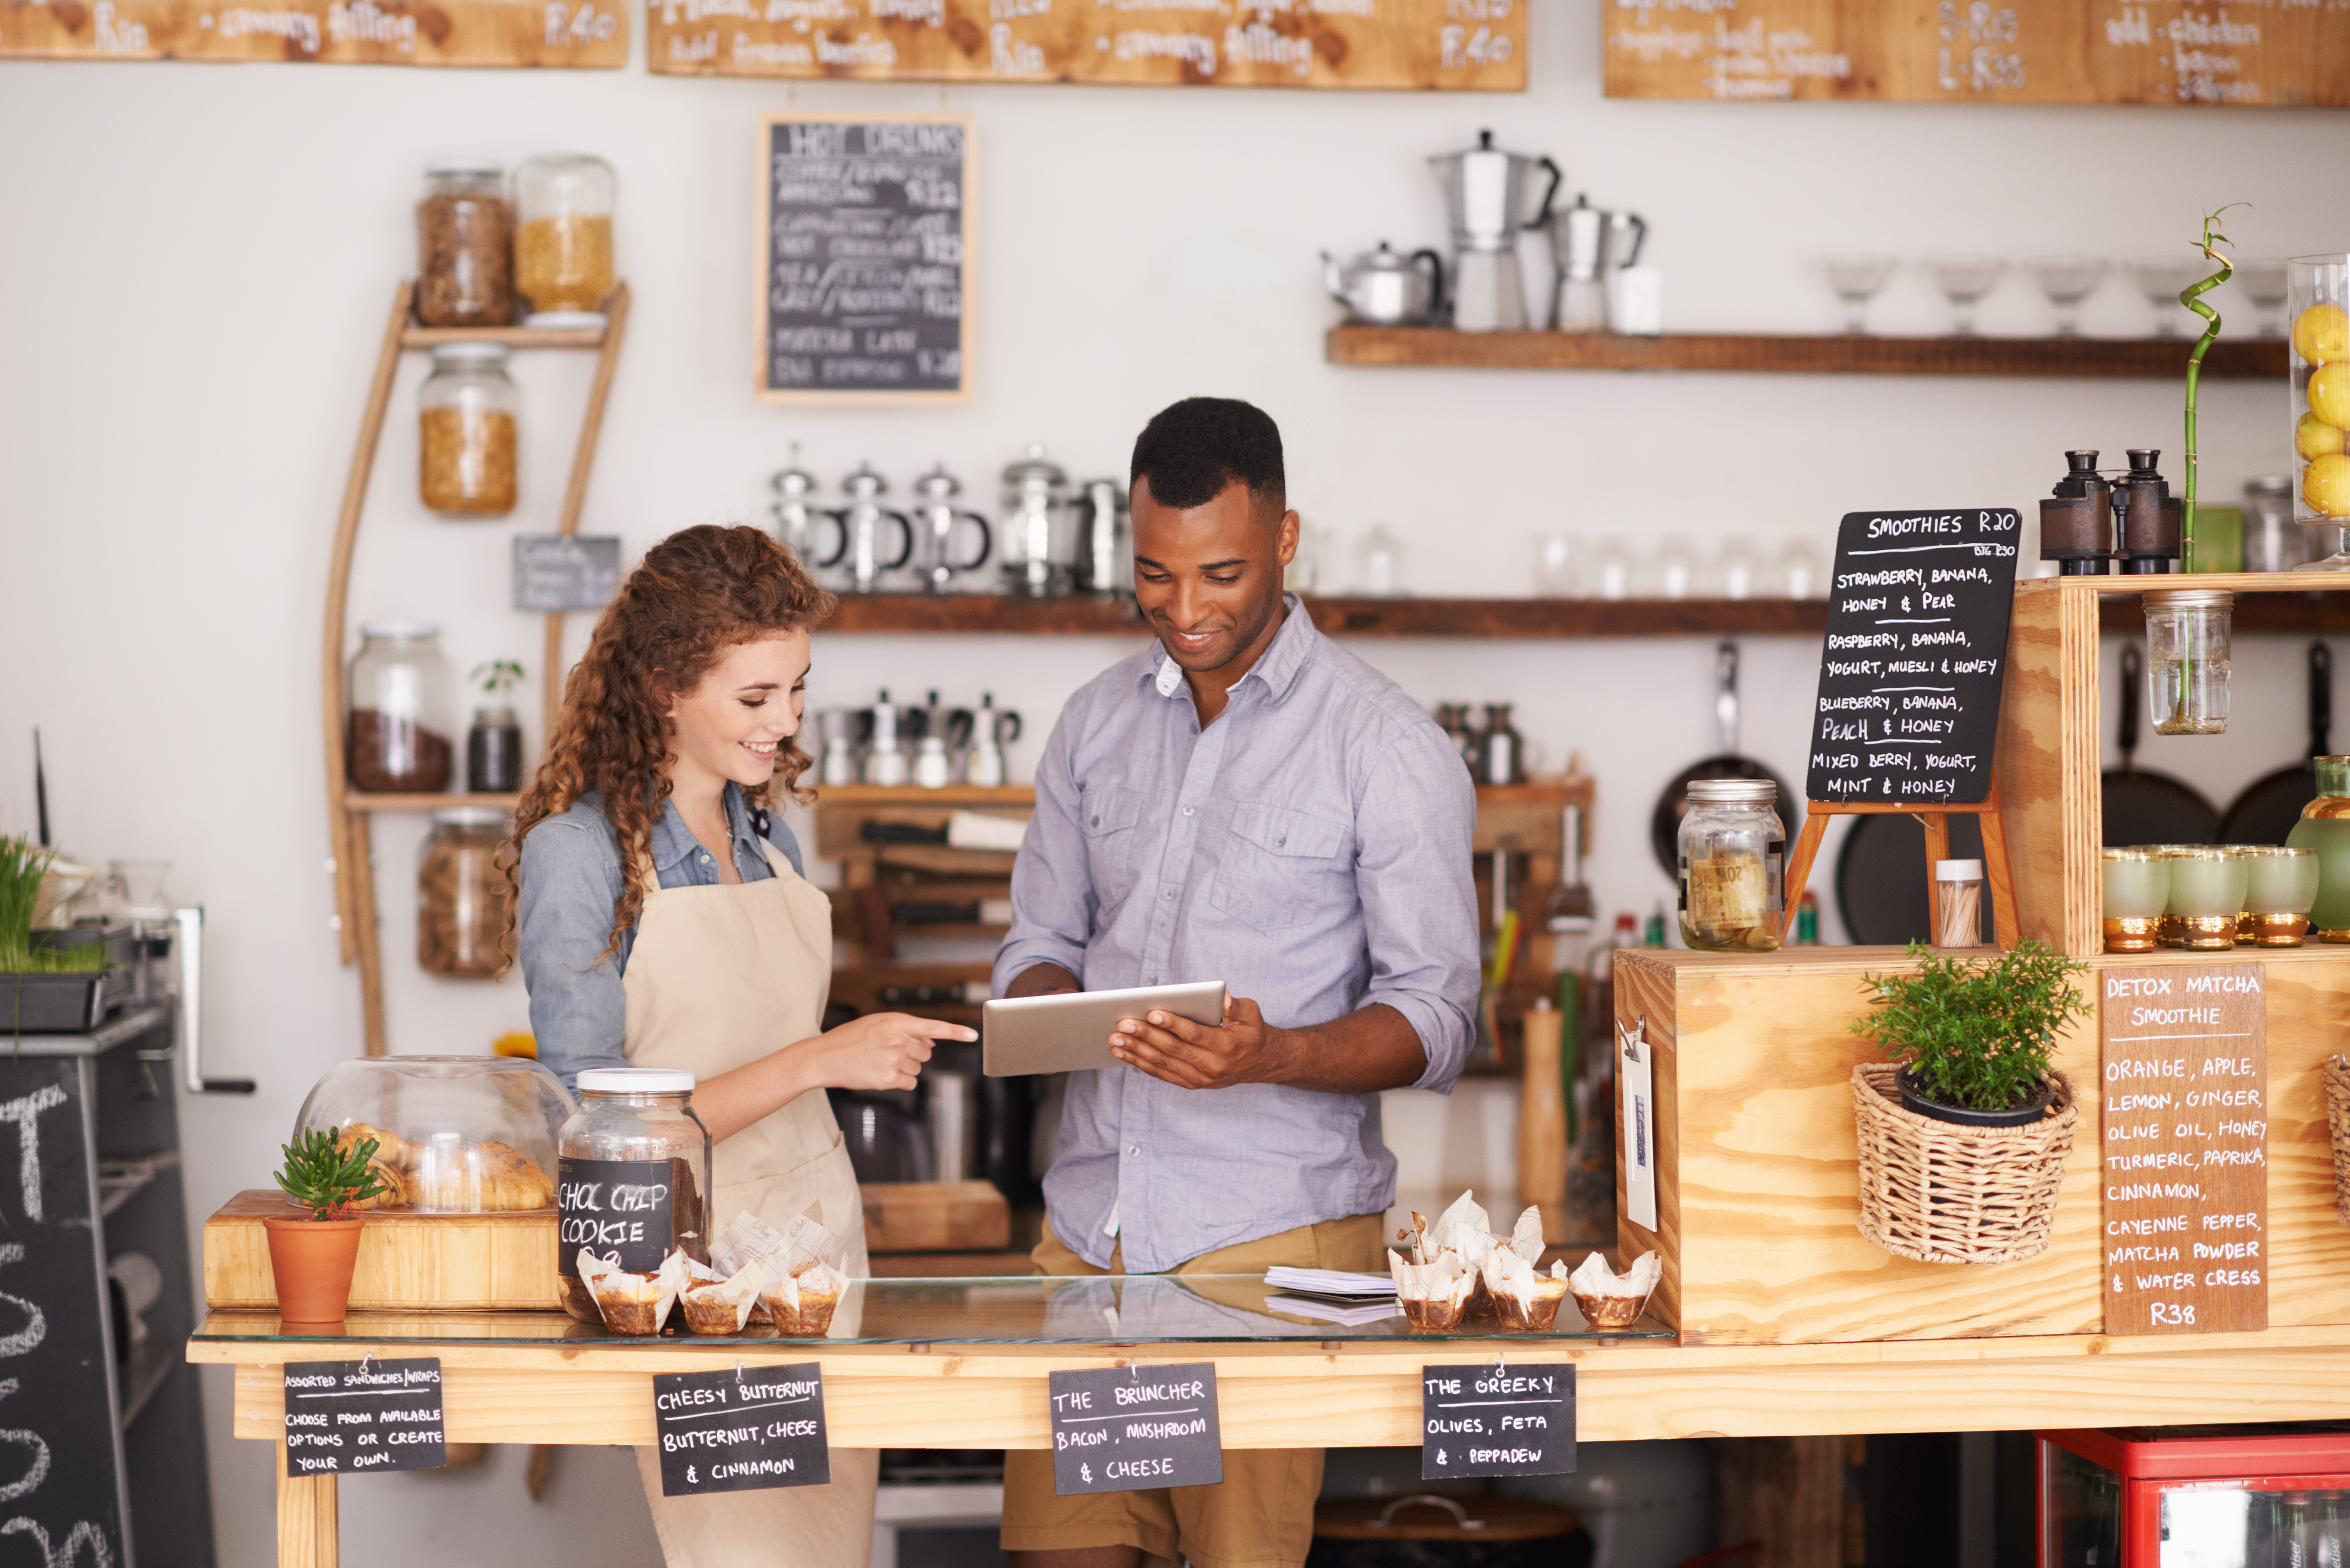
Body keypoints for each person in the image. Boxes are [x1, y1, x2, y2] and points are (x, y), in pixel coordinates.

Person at [991, 398, 1481, 1568]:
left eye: (1219, 572)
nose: (1185, 609)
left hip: (1269, 1256)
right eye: (1153, 575)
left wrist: (1271, 1056)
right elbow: (1034, 942)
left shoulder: (1384, 746)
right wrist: (1055, 1008)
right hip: (1088, 1244)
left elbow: (1440, 1020)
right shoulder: (1094, 723)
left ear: (1284, 538)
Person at [509, 523, 975, 1568]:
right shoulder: (581, 855)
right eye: (756, 699)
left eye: (797, 690)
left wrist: (838, 1057)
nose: (787, 723)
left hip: (817, 1258)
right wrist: (820, 1059)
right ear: (666, 687)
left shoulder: (769, 837)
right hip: (696, 1275)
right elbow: (600, 1141)